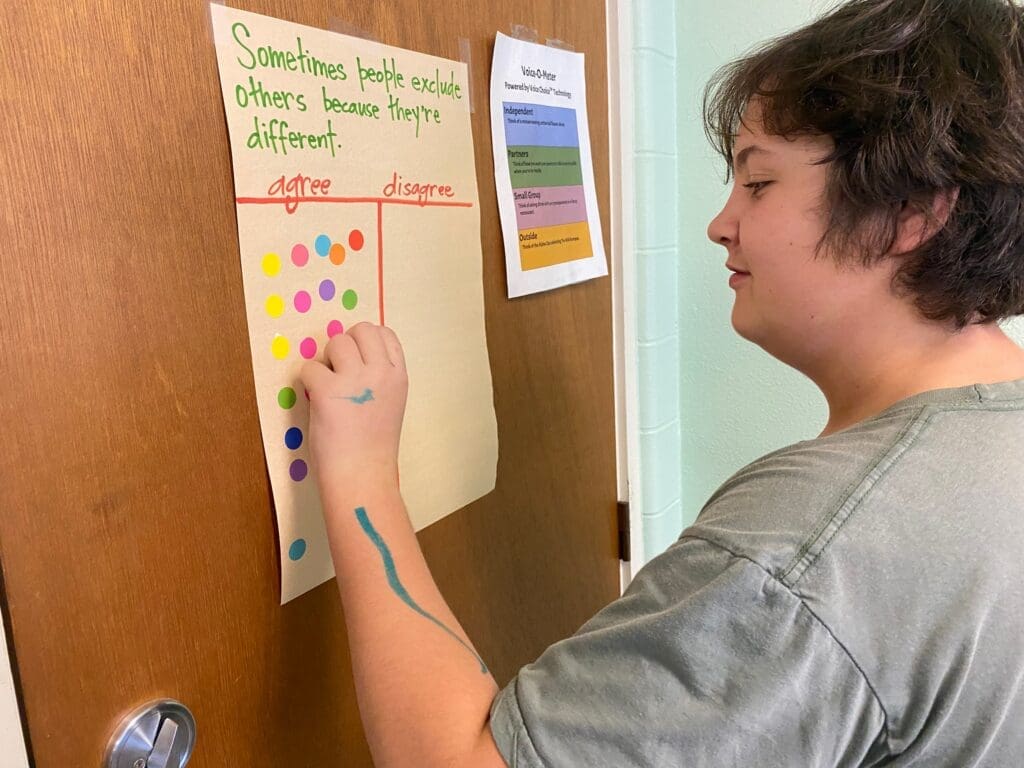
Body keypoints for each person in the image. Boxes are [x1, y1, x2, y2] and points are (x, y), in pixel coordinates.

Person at [300, 0, 1024, 764]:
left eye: (759, 183)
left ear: (907, 214)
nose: (721, 222)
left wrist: (361, 475)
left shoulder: (810, 556)